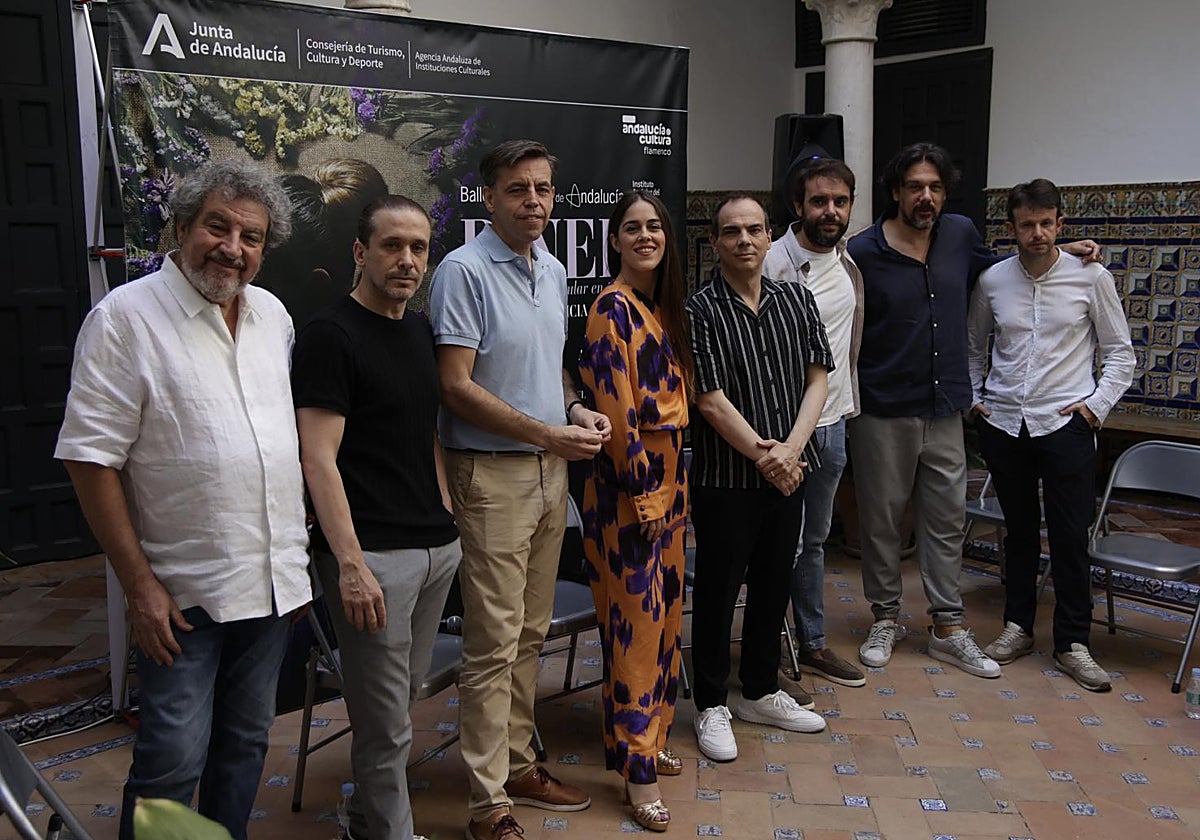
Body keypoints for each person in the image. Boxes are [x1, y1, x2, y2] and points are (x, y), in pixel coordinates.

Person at [54, 160, 311, 840]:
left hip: (270, 586)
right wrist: (139, 586)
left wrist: (294, 562)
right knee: (171, 758)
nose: (233, 248)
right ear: (180, 227)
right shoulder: (124, 320)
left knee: (246, 742)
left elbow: (271, 446)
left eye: (251, 237)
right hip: (180, 595)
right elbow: (89, 458)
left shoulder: (273, 317)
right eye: (217, 227)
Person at [846, 142, 1099, 678]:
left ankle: (948, 626)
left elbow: (1009, 269)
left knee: (946, 520)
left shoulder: (960, 234)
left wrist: (1063, 247)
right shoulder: (863, 251)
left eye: (935, 187)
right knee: (883, 521)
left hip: (945, 408)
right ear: (895, 192)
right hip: (883, 407)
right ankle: (885, 617)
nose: (926, 197)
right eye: (915, 187)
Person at [429, 139, 612, 840]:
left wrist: (574, 410)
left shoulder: (553, 268)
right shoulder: (463, 271)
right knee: (493, 641)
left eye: (542, 188)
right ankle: (487, 806)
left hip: (546, 470)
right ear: (489, 197)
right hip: (492, 475)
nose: (533, 201)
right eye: (517, 189)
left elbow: (551, 368)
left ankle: (517, 764)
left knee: (531, 632)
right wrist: (546, 434)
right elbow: (455, 387)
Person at [293, 195, 461, 840]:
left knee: (401, 702)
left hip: (434, 547)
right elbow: (318, 458)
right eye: (392, 246)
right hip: (373, 559)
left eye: (418, 247)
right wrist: (351, 564)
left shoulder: (418, 331)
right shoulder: (330, 335)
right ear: (360, 253)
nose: (407, 260)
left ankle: (363, 818)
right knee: (386, 720)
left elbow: (426, 434)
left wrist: (445, 512)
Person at [969, 178, 1134, 692]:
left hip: (1066, 424)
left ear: (1061, 224)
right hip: (1005, 424)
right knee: (1018, 532)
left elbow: (1121, 353)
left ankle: (1072, 643)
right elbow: (973, 346)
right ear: (1012, 228)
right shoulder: (993, 280)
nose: (1037, 233)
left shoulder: (1091, 277)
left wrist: (1094, 409)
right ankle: (1017, 627)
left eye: (1046, 223)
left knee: (1068, 535)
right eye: (1027, 224)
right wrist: (977, 400)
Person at [687, 194, 833, 764]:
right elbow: (708, 398)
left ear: (771, 237)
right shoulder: (699, 310)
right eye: (731, 232)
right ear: (715, 242)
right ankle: (710, 702)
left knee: (775, 582)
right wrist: (766, 456)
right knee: (719, 590)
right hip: (727, 477)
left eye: (753, 230)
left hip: (791, 473)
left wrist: (791, 451)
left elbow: (819, 379)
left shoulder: (797, 299)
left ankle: (759, 690)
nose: (744, 240)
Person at [578, 191, 692, 832]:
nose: (645, 236)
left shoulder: (663, 308)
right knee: (636, 632)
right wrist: (646, 492)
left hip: (672, 480)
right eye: (631, 227)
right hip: (630, 484)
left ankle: (645, 738)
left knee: (667, 619)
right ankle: (637, 771)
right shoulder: (610, 309)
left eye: (654, 226)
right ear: (615, 240)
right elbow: (617, 413)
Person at [763, 157, 867, 690]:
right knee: (781, 543)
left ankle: (813, 641)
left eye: (840, 202)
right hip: (785, 432)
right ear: (797, 205)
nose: (830, 211)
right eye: (819, 201)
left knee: (815, 542)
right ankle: (767, 653)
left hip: (833, 424)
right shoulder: (769, 261)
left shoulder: (849, 261)